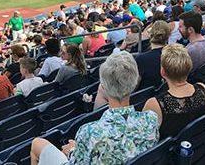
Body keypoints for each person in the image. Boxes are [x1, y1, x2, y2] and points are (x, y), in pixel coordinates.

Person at [30, 51, 159, 164]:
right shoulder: (151, 119)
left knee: (37, 143)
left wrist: (72, 151)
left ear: (103, 86)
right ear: (134, 82)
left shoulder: (89, 132)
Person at [143, 44, 205, 139]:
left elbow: (144, 139)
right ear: (189, 67)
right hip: (200, 147)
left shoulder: (155, 104)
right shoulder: (203, 89)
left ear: (163, 72)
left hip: (170, 153)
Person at [136, 20, 170, 90]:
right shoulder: (174, 54)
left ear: (151, 34)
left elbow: (135, 85)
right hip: (165, 94)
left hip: (144, 98)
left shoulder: (142, 59)